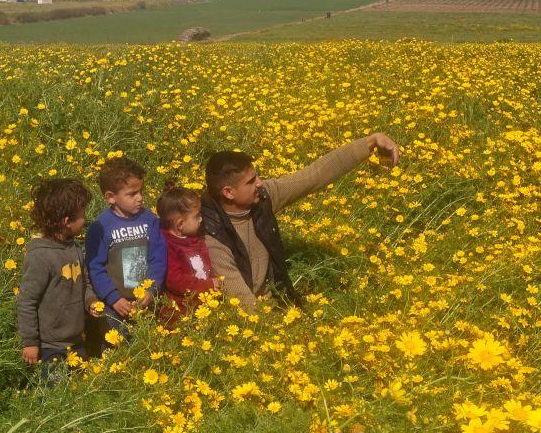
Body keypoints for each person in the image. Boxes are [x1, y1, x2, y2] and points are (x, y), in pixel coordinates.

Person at [200, 133, 399, 308]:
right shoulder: (212, 234)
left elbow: (311, 177)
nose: (260, 183)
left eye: (257, 176)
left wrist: (370, 142)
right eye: (251, 181)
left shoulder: (263, 198)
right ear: (228, 192)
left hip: (275, 306)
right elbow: (243, 301)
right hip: (251, 323)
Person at [16, 176, 90, 384]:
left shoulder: (74, 248)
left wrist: (91, 301)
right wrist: (30, 342)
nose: (85, 220)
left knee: (79, 391)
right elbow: (27, 301)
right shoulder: (40, 256)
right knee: (55, 398)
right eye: (82, 215)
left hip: (76, 340)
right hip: (51, 347)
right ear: (67, 222)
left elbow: (85, 282)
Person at [82, 155, 166, 336]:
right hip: (115, 305)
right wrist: (112, 297)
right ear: (111, 197)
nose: (140, 198)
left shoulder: (150, 220)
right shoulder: (101, 226)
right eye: (132, 194)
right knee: (116, 350)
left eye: (140, 191)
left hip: (147, 301)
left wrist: (152, 290)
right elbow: (95, 268)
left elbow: (158, 258)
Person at [154, 185, 215, 321]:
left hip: (203, 306)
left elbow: (206, 267)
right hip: (180, 314)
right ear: (180, 224)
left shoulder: (193, 237)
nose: (201, 219)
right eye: (197, 216)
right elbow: (176, 281)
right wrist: (209, 285)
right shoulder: (168, 246)